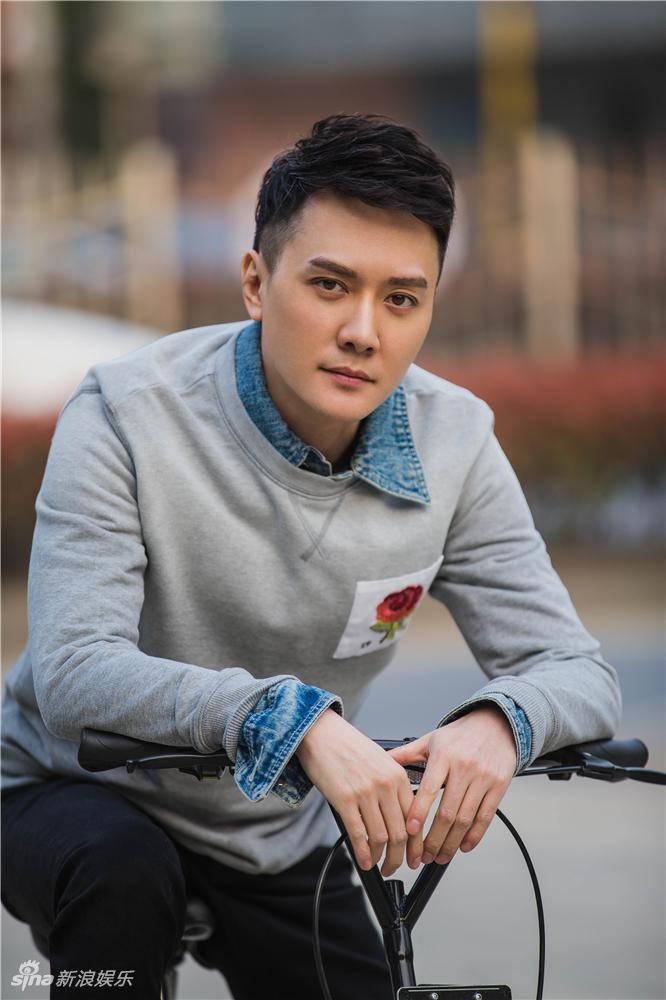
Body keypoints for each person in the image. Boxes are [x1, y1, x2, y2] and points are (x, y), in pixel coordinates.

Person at [1, 114, 621, 1000]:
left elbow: (575, 668)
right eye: (330, 285)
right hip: (67, 793)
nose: (364, 331)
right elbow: (73, 671)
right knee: (121, 876)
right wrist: (290, 721)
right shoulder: (126, 413)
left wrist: (500, 722)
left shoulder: (456, 443)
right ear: (256, 282)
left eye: (401, 299)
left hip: (274, 829)